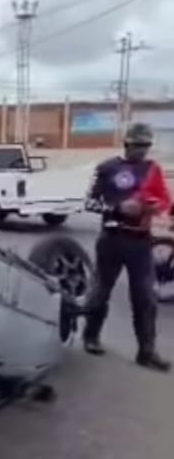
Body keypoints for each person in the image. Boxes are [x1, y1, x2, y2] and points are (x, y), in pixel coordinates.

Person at [83, 121, 172, 370]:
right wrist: (117, 207)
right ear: (127, 143)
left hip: (141, 242)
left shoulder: (152, 169)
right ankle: (91, 336)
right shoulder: (107, 168)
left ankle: (147, 351)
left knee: (145, 297)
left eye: (146, 145)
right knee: (100, 291)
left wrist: (155, 207)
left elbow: (164, 200)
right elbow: (89, 203)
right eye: (137, 145)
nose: (142, 150)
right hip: (111, 239)